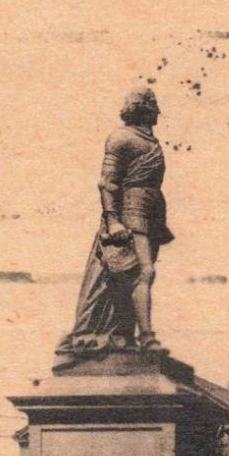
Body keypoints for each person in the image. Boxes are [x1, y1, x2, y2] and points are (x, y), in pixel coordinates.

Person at [55, 87, 175, 360]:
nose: (157, 111)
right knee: (142, 273)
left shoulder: (148, 140)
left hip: (150, 213)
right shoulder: (121, 139)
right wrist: (112, 220)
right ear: (145, 108)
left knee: (138, 275)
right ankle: (147, 338)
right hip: (131, 213)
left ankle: (127, 333)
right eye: (153, 105)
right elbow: (107, 184)